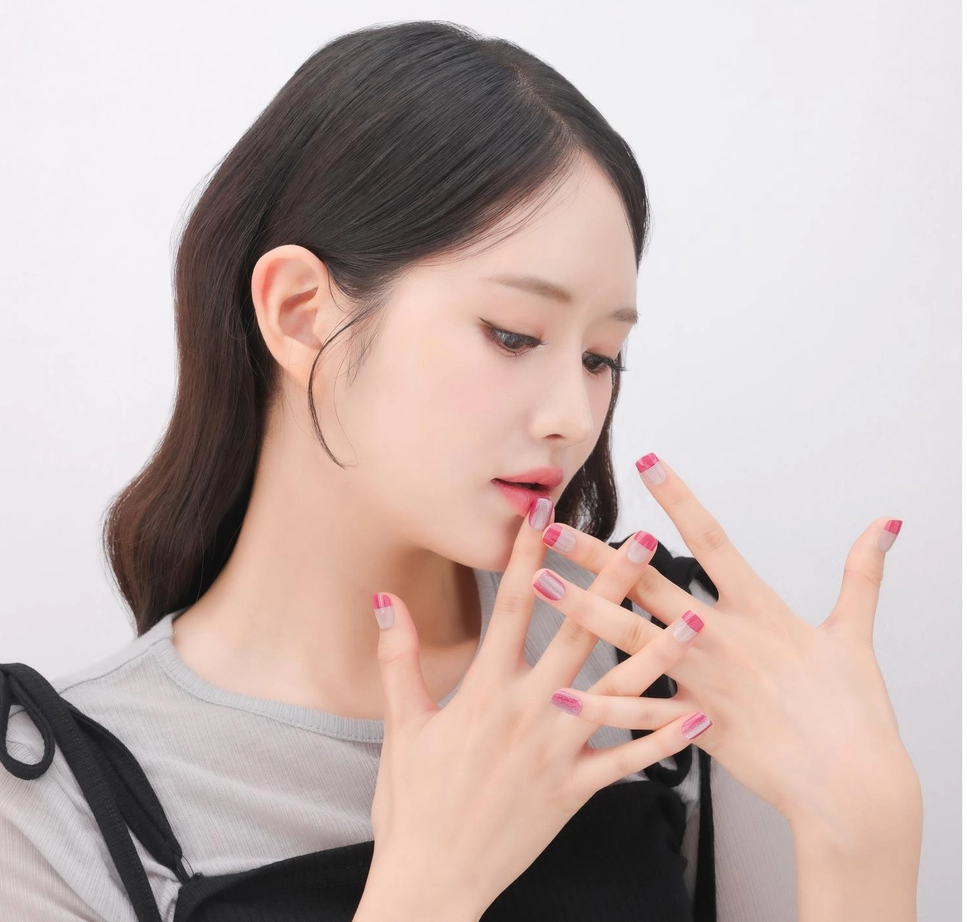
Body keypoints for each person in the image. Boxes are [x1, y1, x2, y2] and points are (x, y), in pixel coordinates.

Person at [0, 19, 921, 922]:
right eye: (512, 335)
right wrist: (429, 889)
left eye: (600, 357)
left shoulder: (658, 661)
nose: (574, 417)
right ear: (300, 311)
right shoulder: (55, 804)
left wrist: (865, 830)